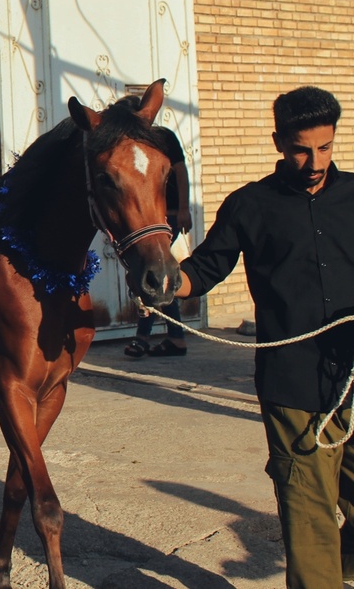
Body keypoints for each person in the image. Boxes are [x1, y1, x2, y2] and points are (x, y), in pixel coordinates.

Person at [175, 86, 354, 588]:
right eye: (301, 149)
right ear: (279, 142)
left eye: (325, 147)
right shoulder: (250, 205)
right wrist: (166, 281)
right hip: (293, 386)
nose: (314, 161)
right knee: (310, 514)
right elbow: (204, 270)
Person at [124, 123, 196, 358]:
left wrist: (184, 208)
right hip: (146, 220)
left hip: (169, 215)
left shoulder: (163, 136)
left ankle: (145, 336)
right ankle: (175, 337)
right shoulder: (127, 143)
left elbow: (181, 170)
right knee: (155, 274)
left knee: (155, 272)